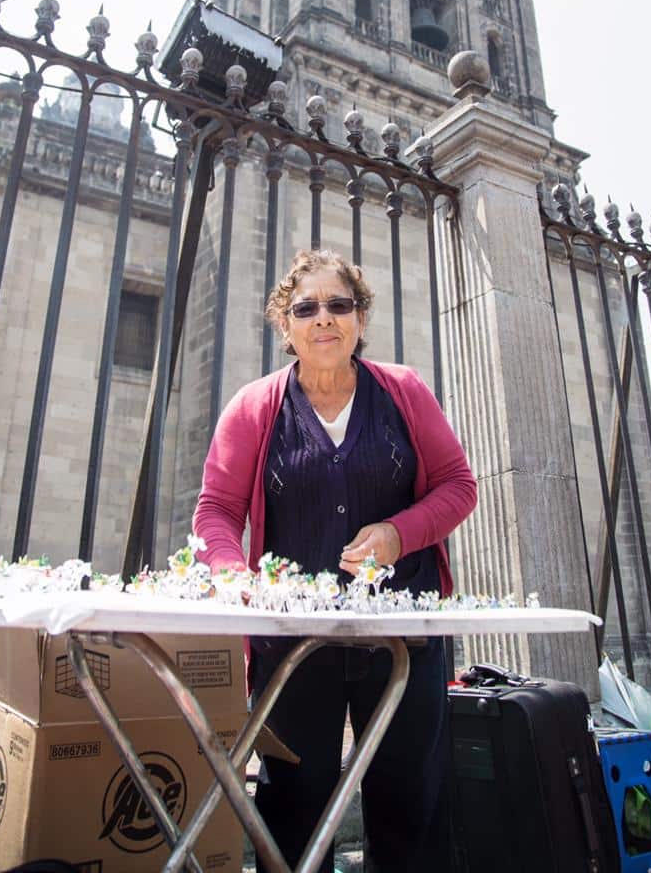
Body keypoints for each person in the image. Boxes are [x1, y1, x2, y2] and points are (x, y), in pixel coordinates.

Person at [193, 249, 477, 873]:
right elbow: (216, 510)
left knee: (410, 804)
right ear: (286, 326)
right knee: (296, 806)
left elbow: (458, 484)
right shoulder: (254, 407)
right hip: (293, 643)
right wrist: (232, 575)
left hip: (404, 638)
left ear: (359, 317)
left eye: (339, 305)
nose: (324, 319)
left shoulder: (404, 391)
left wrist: (400, 535)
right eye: (306, 308)